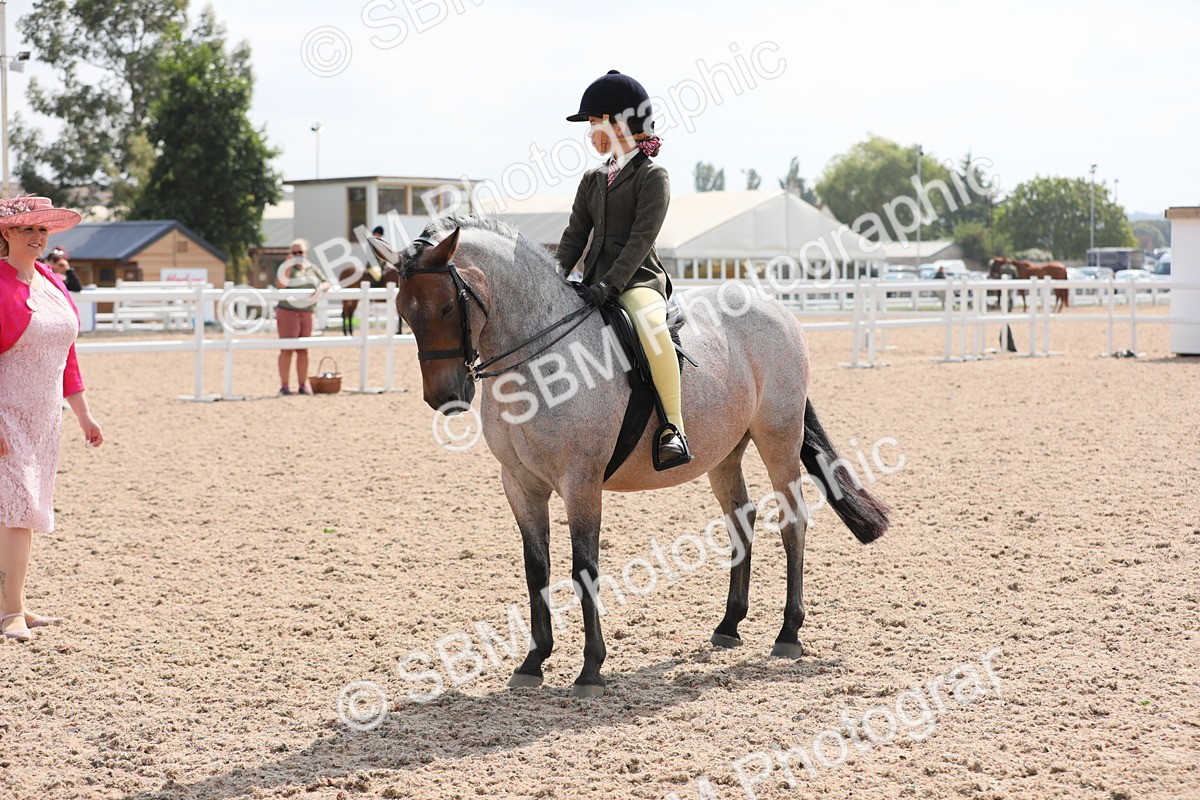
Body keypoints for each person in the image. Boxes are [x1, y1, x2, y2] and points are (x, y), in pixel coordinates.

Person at [555, 70, 690, 469]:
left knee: (651, 325)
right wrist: (554, 278)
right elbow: (573, 237)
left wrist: (611, 285)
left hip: (636, 279)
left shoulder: (652, 177)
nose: (591, 132)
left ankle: (673, 428)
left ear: (621, 124)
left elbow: (640, 240)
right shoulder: (592, 179)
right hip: (592, 280)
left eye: (595, 123)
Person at [0, 195, 104, 642]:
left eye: (42, 230)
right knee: (20, 507)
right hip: (7, 412)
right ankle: (10, 613)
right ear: (6, 233)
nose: (37, 237)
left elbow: (67, 355)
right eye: (27, 229)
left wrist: (83, 414)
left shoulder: (50, 280)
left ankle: (14, 601)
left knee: (21, 508)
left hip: (45, 416)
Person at [275, 238, 329, 396]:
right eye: (295, 252)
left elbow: (326, 282)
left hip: (307, 312)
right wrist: (287, 265)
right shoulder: (286, 269)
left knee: (303, 350)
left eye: (300, 252)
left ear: (305, 253)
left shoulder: (312, 268)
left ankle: (302, 385)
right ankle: (284, 386)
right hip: (288, 312)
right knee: (287, 350)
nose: (298, 255)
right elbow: (280, 285)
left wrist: (320, 288)